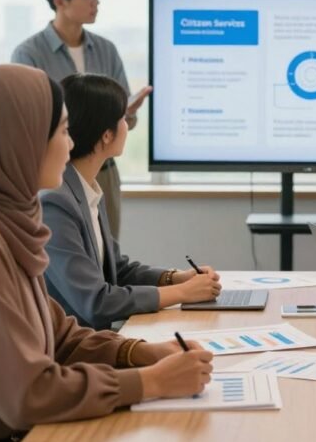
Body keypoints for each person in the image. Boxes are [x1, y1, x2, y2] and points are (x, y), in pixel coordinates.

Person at [0, 64, 212, 442]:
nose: (69, 143)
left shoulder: (1, 223)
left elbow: (58, 336)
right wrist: (151, 382)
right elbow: (27, 393)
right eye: (62, 131)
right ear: (17, 140)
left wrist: (139, 353)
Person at [42, 73, 221, 329]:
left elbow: (117, 270)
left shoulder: (85, 187)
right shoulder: (55, 204)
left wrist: (178, 278)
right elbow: (96, 301)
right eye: (123, 119)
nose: (127, 125)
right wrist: (182, 293)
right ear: (106, 135)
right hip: (77, 350)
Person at [11, 0, 151, 240]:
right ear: (59, 0)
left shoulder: (106, 50)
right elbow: (30, 121)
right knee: (61, 255)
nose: (95, 1)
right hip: (55, 171)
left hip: (103, 170)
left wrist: (129, 113)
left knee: (107, 255)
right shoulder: (29, 54)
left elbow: (122, 121)